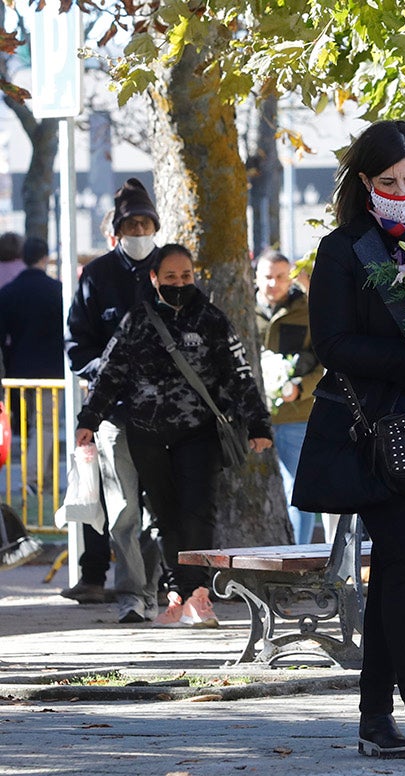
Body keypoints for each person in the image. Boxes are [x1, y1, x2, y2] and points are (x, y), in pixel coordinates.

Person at [292, 120, 405, 766]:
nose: (403, 190)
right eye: (390, 181)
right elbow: (333, 346)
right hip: (371, 438)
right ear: (365, 183)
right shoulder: (344, 251)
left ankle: (375, 721)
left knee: (402, 567)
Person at [74, 243, 272, 628]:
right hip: (147, 434)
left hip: (199, 434)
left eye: (186, 276)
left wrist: (259, 424)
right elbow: (110, 374)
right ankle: (178, 594)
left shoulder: (212, 320)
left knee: (198, 512)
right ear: (154, 278)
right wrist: (89, 419)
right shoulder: (136, 321)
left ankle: (199, 595)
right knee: (164, 517)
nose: (179, 283)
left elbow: (239, 374)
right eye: (170, 277)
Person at [64, 180, 165, 613]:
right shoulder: (98, 276)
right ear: (117, 232)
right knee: (120, 506)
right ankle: (128, 593)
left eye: (145, 224)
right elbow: (77, 344)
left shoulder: (170, 267)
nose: (139, 231)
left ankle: (157, 585)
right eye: (131, 225)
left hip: (166, 413)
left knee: (159, 509)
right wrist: (105, 375)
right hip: (111, 412)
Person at [255, 250, 327, 545]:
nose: (274, 283)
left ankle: (297, 556)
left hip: (295, 415)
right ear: (256, 277)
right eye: (267, 277)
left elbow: (324, 362)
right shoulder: (242, 310)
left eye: (281, 277)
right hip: (251, 417)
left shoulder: (308, 310)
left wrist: (301, 387)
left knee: (297, 488)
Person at [0, 238, 65, 496]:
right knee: (47, 425)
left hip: (18, 371)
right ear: (44, 257)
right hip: (51, 370)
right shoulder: (58, 290)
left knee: (31, 427)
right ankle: (33, 478)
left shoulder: (8, 292)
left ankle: (44, 481)